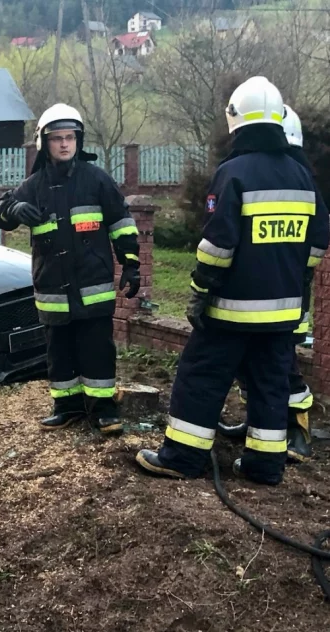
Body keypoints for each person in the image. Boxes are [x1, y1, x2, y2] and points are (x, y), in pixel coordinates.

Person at [136, 77, 330, 486]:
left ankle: (183, 456)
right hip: (282, 313)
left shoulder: (233, 173)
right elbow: (317, 241)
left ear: (236, 122)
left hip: (231, 310)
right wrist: (300, 279)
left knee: (201, 375)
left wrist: (200, 290)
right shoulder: (301, 176)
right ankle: (265, 467)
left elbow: (217, 246)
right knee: (270, 386)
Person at [0, 104, 140, 435]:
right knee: (58, 350)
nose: (63, 144)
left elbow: (122, 224)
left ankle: (103, 409)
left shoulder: (97, 180)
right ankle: (67, 406)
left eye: (69, 137)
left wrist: (131, 264)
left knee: (97, 347)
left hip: (92, 286)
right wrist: (14, 207)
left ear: (78, 141)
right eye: (57, 138)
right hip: (52, 288)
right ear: (45, 143)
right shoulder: (33, 186)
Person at [218, 104, 320, 463]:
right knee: (256, 368)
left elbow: (317, 238)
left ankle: (297, 431)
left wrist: (296, 269)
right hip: (266, 296)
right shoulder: (282, 174)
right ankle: (257, 426)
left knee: (283, 370)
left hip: (286, 301)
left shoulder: (298, 178)